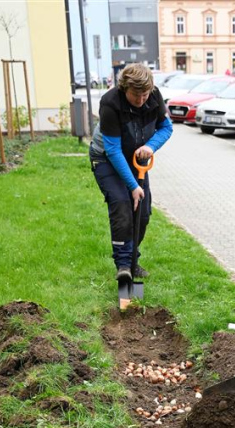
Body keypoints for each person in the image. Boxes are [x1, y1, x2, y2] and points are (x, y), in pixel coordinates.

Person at [89, 63, 173, 282]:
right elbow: (113, 150)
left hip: (136, 160)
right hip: (107, 159)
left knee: (142, 214)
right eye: (136, 95)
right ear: (124, 88)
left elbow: (166, 128)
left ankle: (132, 259)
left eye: (145, 95)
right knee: (121, 204)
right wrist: (133, 186)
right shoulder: (110, 103)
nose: (141, 100)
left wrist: (151, 146)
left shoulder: (154, 96)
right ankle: (124, 267)